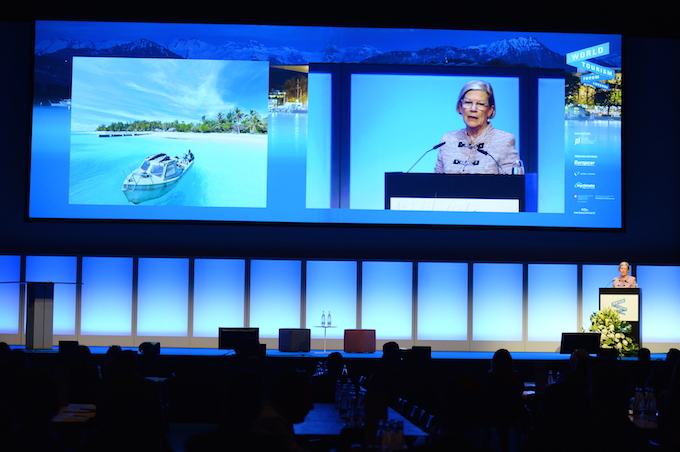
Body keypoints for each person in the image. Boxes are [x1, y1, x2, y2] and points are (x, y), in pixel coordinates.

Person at [434, 80, 520, 175]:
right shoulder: (448, 140)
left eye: (480, 104)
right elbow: (436, 184)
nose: (473, 109)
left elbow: (514, 185)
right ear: (460, 107)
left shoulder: (504, 140)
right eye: (468, 102)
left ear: (490, 111)